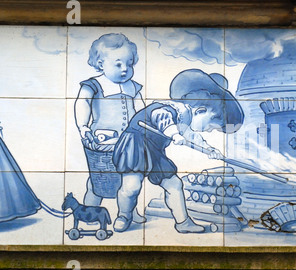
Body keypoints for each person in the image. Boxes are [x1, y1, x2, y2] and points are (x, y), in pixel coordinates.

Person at [112, 68, 244, 233]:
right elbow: (160, 117)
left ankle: (183, 223)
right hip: (135, 145)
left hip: (155, 150)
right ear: (200, 111)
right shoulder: (171, 109)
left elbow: (191, 136)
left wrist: (209, 149)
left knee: (174, 184)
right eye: (211, 126)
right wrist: (173, 133)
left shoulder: (185, 119)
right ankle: (124, 215)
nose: (208, 131)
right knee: (131, 187)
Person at [74, 33, 146, 223]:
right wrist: (83, 126)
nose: (125, 69)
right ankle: (90, 209)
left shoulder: (133, 87)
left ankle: (130, 210)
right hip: (103, 143)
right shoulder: (94, 85)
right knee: (98, 180)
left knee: (130, 180)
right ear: (100, 64)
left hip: (129, 143)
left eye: (129, 64)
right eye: (118, 64)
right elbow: (83, 103)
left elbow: (141, 111)